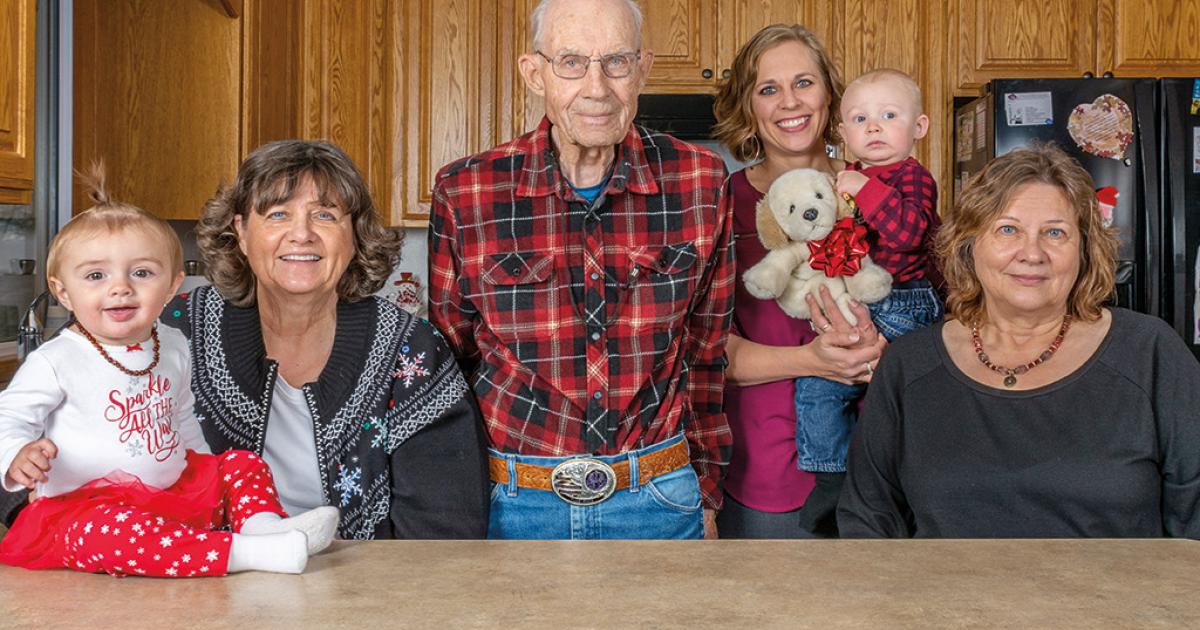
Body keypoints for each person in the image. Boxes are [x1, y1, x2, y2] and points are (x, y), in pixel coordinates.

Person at [428, 0, 733, 540]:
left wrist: (706, 493)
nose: (597, 86)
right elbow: (450, 362)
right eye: (571, 62)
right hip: (512, 504)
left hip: (661, 500)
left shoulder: (701, 181)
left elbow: (706, 354)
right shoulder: (467, 191)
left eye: (616, 62)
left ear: (643, 68)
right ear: (534, 72)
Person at [838, 144, 1200, 538]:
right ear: (969, 245)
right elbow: (868, 520)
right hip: (945, 600)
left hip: (1118, 600)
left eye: (1055, 233)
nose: (1032, 253)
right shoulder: (908, 365)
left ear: (1085, 250)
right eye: (1008, 229)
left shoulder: (1150, 353)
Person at [0, 171, 339, 577]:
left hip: (172, 494)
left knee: (241, 464)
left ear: (172, 285)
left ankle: (265, 529)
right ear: (62, 292)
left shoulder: (173, 343)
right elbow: (10, 419)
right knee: (111, 533)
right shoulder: (55, 360)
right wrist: (16, 455)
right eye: (95, 276)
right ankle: (248, 554)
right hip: (83, 511)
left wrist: (208, 478)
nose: (120, 288)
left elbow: (181, 416)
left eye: (141, 273)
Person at [163, 139, 489, 540]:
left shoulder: (412, 347)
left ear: (355, 236)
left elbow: (443, 526)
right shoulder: (175, 329)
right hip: (203, 581)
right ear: (242, 233)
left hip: (364, 589)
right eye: (278, 214)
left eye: (325, 215)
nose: (301, 234)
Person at [711, 23, 887, 539]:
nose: (790, 102)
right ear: (750, 108)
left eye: (804, 82)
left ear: (830, 92)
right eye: (769, 89)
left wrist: (883, 351)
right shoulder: (721, 206)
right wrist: (812, 361)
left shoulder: (881, 191)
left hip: (880, 462)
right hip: (768, 469)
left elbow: (941, 315)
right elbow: (699, 351)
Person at [789, 68, 944, 507]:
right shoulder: (843, 180)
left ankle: (899, 485)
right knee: (818, 385)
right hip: (856, 299)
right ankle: (831, 481)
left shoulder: (913, 177)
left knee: (892, 397)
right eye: (859, 119)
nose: (873, 126)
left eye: (889, 115)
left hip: (904, 303)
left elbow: (910, 233)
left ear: (919, 128)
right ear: (841, 133)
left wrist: (864, 187)